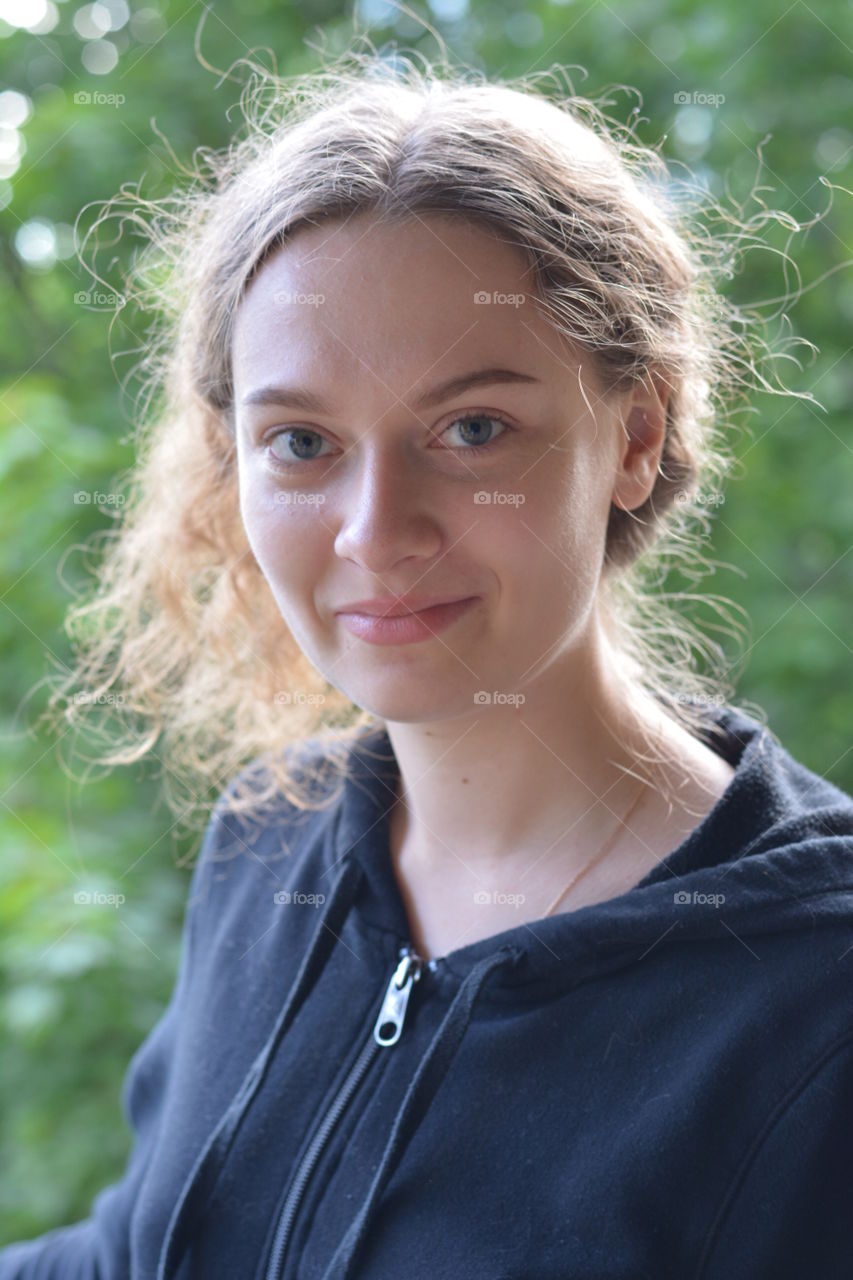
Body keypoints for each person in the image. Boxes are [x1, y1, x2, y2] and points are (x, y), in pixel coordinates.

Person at [3, 46, 853, 1280]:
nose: (374, 530)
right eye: (300, 441)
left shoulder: (814, 992)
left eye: (472, 429)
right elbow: (143, 1247)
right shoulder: (267, 846)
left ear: (633, 437)